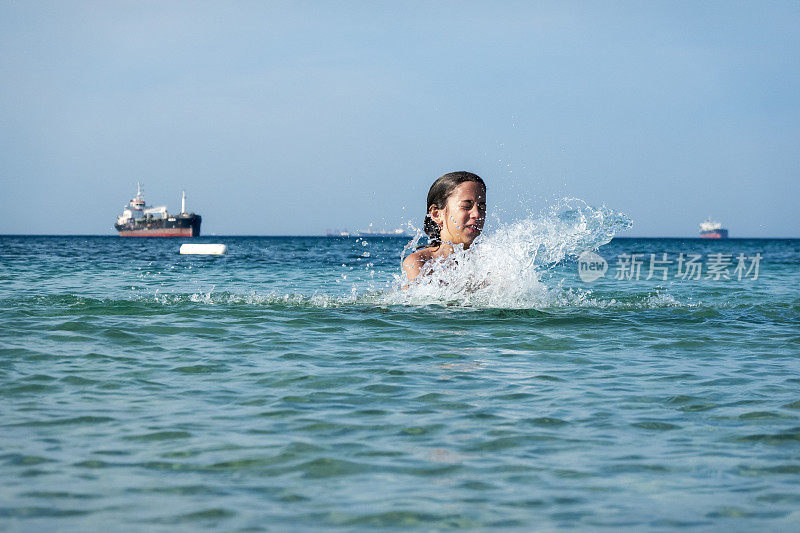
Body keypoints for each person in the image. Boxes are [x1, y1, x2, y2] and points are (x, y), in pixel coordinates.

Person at [402, 171, 486, 281]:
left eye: (481, 208)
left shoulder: (488, 262)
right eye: (466, 206)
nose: (477, 214)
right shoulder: (421, 262)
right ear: (436, 214)